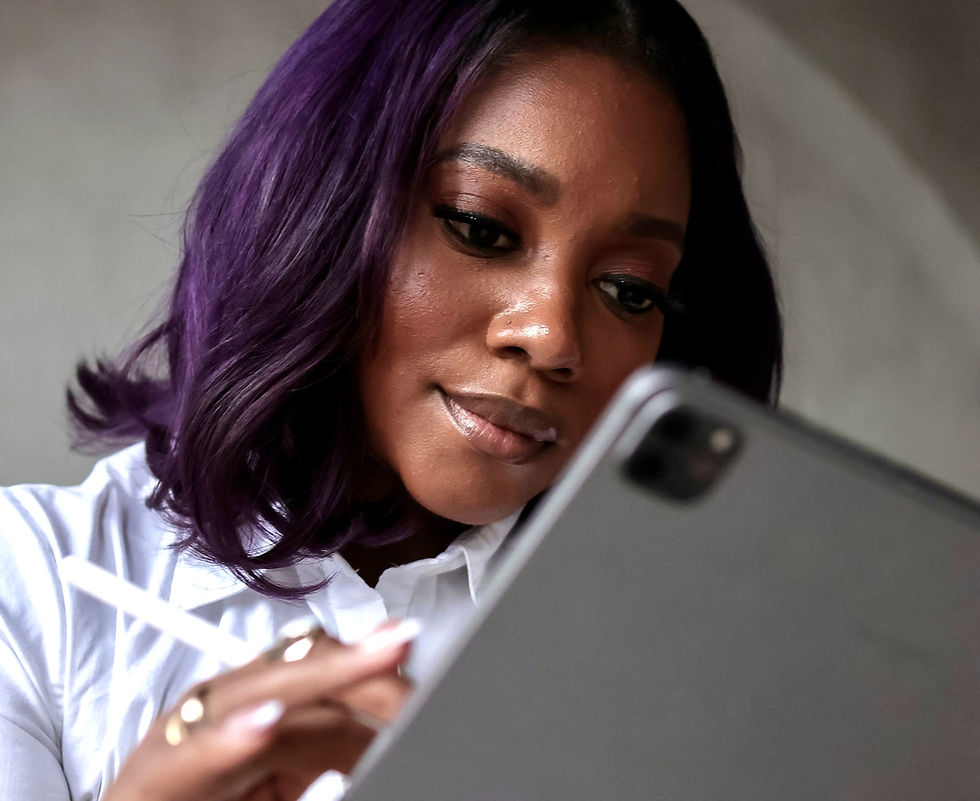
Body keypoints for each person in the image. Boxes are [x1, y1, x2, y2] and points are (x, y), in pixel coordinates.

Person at [0, 1, 781, 799]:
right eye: (480, 227)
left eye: (629, 287)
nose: (552, 336)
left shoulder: (692, 679)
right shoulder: (32, 593)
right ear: (315, 207)